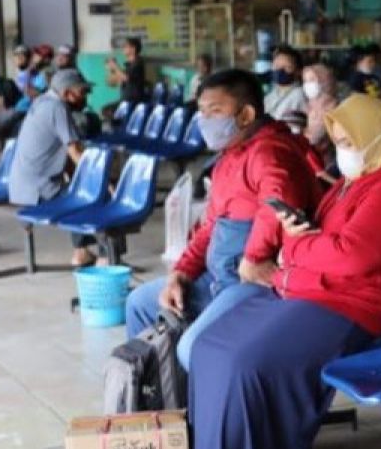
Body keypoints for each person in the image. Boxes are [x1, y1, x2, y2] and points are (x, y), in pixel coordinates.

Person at [146, 93, 381, 449]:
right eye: (337, 140)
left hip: (350, 306)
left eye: (347, 140)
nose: (341, 150)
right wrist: (297, 248)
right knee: (210, 347)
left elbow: (351, 256)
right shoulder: (350, 183)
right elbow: (322, 241)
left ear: (378, 137)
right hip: (303, 287)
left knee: (247, 361)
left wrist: (293, 250)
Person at [125, 68, 318, 369]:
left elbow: (276, 206)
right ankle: (161, 401)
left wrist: (254, 256)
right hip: (216, 278)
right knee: (140, 303)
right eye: (202, 112)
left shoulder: (270, 152)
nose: (206, 121)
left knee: (194, 348)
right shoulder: (227, 158)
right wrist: (182, 273)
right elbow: (209, 226)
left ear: (246, 114)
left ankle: (207, 410)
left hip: (253, 284)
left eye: (215, 112)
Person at [8, 68, 100, 267]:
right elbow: (75, 151)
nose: (86, 98)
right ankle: (93, 253)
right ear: (68, 93)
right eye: (83, 92)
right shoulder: (58, 108)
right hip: (38, 189)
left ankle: (84, 250)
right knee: (88, 198)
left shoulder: (42, 102)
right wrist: (102, 182)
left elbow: (67, 158)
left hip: (22, 186)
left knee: (79, 191)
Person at [105, 37, 147, 115]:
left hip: (132, 101)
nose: (123, 48)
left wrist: (115, 66)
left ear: (133, 49)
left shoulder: (138, 63)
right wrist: (112, 70)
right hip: (125, 100)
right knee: (105, 110)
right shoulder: (129, 65)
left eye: (125, 46)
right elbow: (111, 83)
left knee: (106, 111)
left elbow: (126, 78)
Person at [264, 45, 308, 120]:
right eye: (276, 66)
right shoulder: (273, 93)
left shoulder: (298, 95)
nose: (280, 70)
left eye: (287, 67)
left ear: (298, 71)